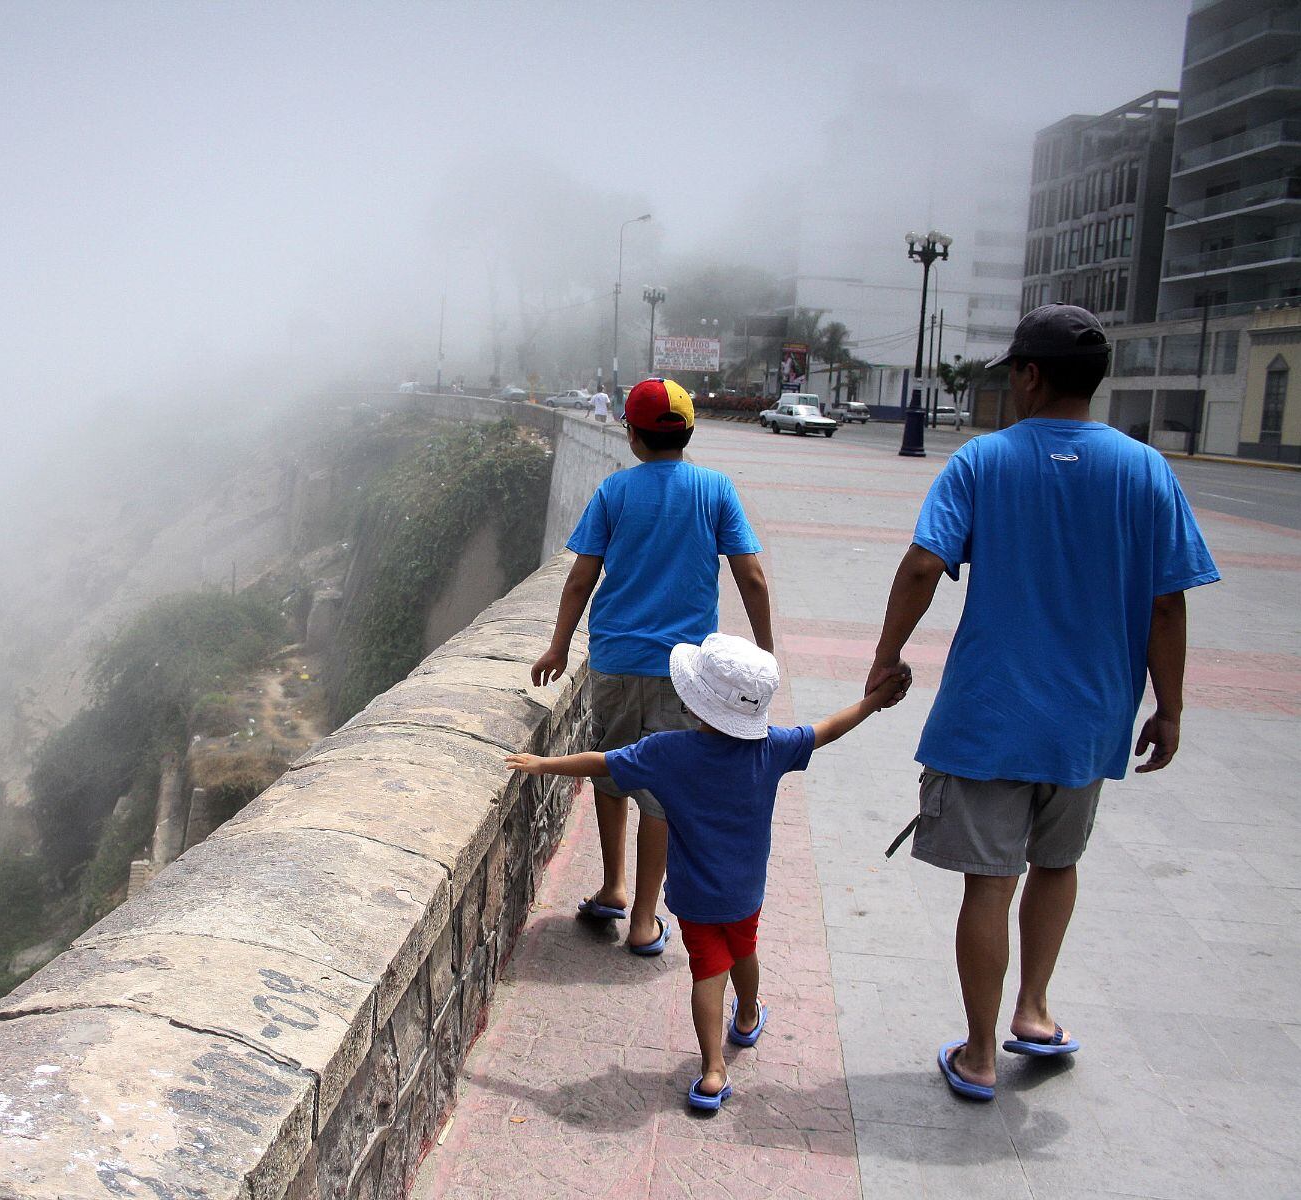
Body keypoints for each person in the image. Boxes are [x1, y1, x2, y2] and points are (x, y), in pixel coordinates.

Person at [865, 304, 1220, 1102]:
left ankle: (979, 1054)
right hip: (1089, 721)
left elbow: (923, 566)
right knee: (1057, 865)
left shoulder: (983, 461)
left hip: (990, 716)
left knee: (990, 883)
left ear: (1029, 374)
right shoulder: (1146, 471)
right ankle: (1033, 1010)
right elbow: (1168, 602)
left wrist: (885, 658)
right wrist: (1169, 708)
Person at [509, 634, 907, 1110]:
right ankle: (747, 1016)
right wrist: (873, 702)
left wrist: (544, 763)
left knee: (707, 970)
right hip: (745, 891)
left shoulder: (667, 751)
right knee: (744, 950)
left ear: (693, 702)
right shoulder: (773, 747)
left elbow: (603, 762)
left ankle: (713, 1071)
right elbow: (826, 730)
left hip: (694, 895)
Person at [530, 377, 773, 954]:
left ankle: (612, 885)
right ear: (689, 432)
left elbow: (580, 578)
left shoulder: (614, 491)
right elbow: (752, 577)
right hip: (684, 676)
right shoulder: (715, 489)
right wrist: (763, 653)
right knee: (665, 790)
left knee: (612, 771)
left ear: (632, 436)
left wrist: (559, 645)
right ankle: (643, 919)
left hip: (616, 660)